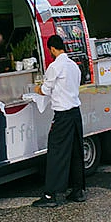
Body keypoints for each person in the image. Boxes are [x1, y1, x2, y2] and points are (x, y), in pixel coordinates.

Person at [32, 35, 85, 207]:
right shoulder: (74, 67)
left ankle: (52, 195)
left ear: (52, 49)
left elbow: (46, 90)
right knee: (76, 152)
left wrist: (37, 88)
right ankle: (78, 190)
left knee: (56, 152)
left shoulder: (55, 67)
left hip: (62, 116)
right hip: (75, 113)